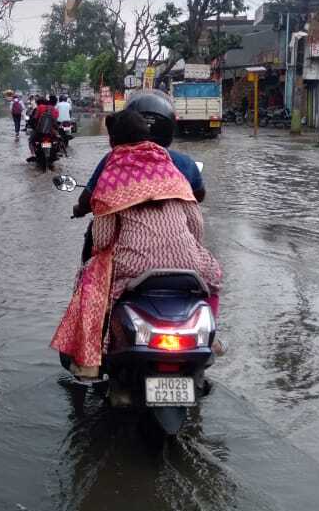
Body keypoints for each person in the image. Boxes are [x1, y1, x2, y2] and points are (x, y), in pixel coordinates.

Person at [50, 109, 223, 380]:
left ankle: (90, 361)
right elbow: (196, 225)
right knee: (213, 277)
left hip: (134, 265)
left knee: (91, 283)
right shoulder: (171, 169)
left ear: (113, 140)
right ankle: (212, 339)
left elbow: (102, 239)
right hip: (188, 262)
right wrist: (188, 248)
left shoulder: (111, 174)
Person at [72, 91, 204, 221]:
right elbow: (199, 195)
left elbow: (86, 200)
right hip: (178, 231)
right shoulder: (185, 163)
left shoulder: (113, 160)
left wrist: (80, 209)